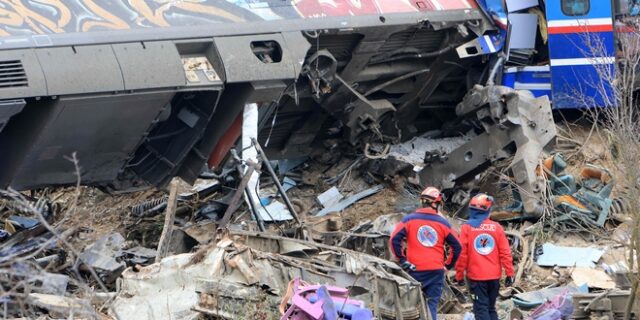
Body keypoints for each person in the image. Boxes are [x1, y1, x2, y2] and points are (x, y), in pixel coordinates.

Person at [390, 186, 461, 320]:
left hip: (414, 269)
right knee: (431, 306)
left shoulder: (409, 219)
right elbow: (457, 246)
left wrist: (402, 260)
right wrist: (448, 265)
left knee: (411, 307)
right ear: (435, 204)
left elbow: (394, 239)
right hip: (435, 271)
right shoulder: (443, 223)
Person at [455, 193, 515, 320]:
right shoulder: (497, 228)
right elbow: (505, 253)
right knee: (491, 308)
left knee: (481, 309)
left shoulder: (467, 228)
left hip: (476, 279)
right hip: (494, 278)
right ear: (488, 210)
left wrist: (459, 275)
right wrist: (509, 273)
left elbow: (462, 255)